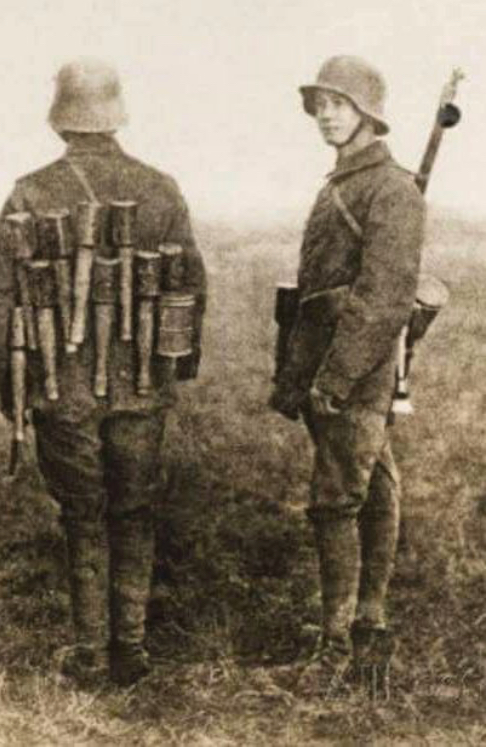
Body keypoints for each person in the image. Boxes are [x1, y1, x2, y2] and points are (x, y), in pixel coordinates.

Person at [0, 58, 207, 686]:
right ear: (116, 117)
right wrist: (172, 370)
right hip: (141, 382)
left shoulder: (30, 192)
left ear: (60, 121)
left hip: (62, 385)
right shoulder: (161, 188)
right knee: (133, 510)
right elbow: (191, 286)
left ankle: (90, 654)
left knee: (82, 514)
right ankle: (130, 649)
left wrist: (8, 385)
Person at [269, 55, 425, 697]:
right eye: (320, 105)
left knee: (336, 499)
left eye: (338, 104)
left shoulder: (390, 189)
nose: (324, 115)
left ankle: (334, 651)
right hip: (335, 358)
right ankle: (369, 626)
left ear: (367, 113)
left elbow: (384, 300)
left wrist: (335, 379)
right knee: (375, 485)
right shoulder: (347, 180)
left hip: (356, 365)